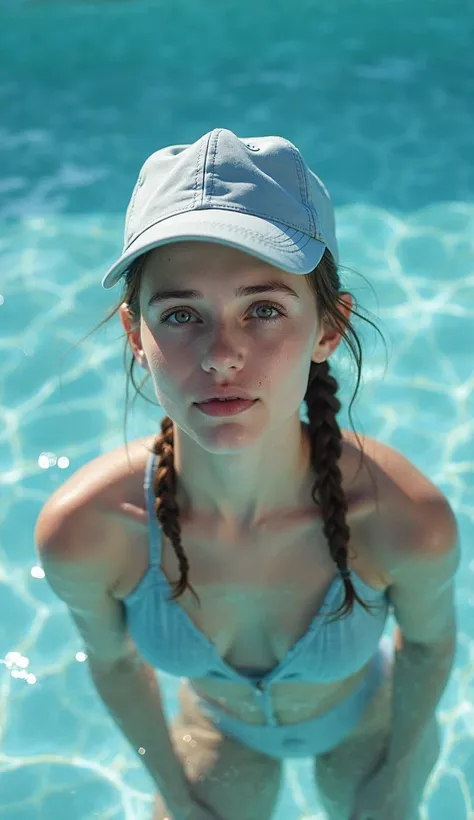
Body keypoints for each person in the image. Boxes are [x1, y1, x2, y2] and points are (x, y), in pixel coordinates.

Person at [35, 128, 459, 820]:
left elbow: (431, 644)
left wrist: (400, 772)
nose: (221, 355)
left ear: (328, 327)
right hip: (218, 734)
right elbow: (113, 666)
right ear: (133, 335)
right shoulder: (89, 532)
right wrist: (174, 793)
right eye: (180, 315)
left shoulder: (401, 519)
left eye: (262, 309)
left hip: (366, 728)